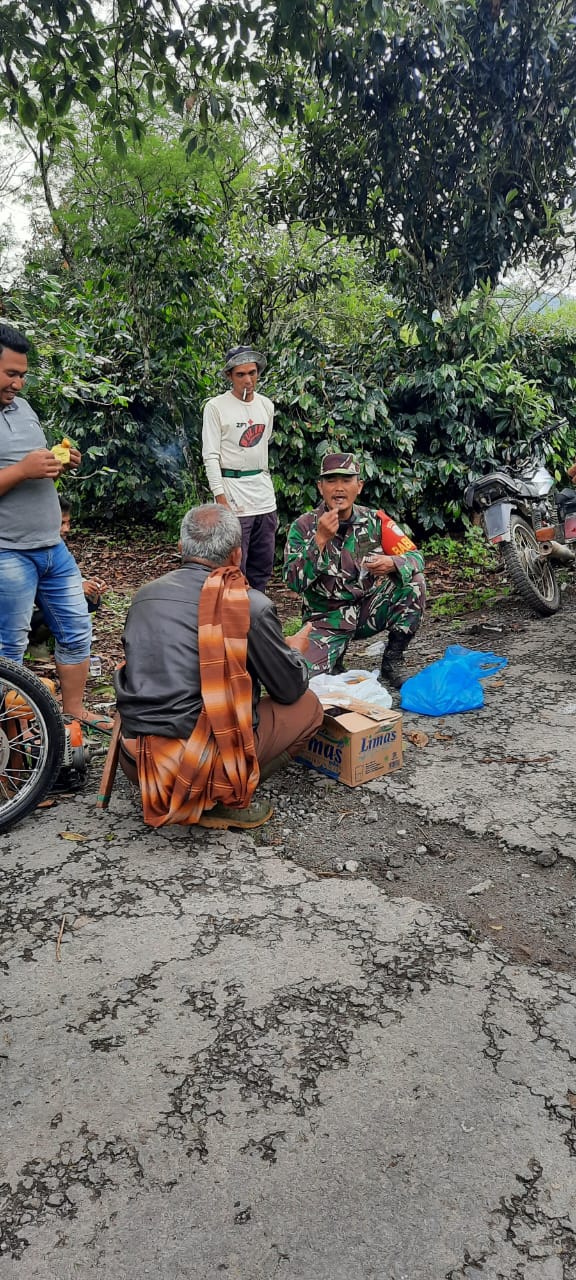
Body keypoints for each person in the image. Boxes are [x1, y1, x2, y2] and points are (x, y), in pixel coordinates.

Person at [114, 503, 323, 830]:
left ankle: (184, 786)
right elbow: (288, 689)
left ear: (181, 548)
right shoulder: (249, 604)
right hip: (196, 769)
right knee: (308, 707)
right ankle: (219, 799)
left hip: (137, 760)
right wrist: (293, 652)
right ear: (238, 555)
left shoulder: (144, 596)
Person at [0, 322, 106, 726]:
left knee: (77, 631)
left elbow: (31, 467)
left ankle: (71, 718)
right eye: (12, 374)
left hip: (51, 548)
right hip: (8, 550)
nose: (19, 384)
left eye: (23, 374)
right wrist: (24, 470)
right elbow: (20, 470)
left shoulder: (22, 409)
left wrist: (54, 463)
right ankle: (16, 740)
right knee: (9, 650)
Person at [283, 453, 426, 689]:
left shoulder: (375, 521)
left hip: (365, 611)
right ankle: (334, 659)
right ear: (320, 487)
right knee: (297, 680)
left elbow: (416, 557)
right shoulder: (304, 526)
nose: (339, 488)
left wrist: (392, 563)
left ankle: (392, 661)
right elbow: (292, 582)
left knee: (414, 582)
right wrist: (319, 540)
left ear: (359, 486)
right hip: (325, 621)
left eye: (347, 480)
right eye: (331, 481)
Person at [202, 345, 277, 591]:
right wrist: (221, 499)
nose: (248, 380)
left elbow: (262, 446)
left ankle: (258, 612)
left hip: (263, 492)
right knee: (235, 563)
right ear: (229, 376)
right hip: (233, 491)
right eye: (241, 374)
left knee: (263, 561)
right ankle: (233, 614)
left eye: (252, 373)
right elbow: (211, 455)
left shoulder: (266, 405)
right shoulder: (216, 407)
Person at [29, 497, 107, 650]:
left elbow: (70, 579)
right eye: (61, 524)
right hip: (22, 612)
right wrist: (76, 588)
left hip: (41, 607)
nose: (67, 529)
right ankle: (32, 643)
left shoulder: (59, 549)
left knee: (88, 601)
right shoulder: (24, 550)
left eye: (68, 523)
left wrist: (93, 589)